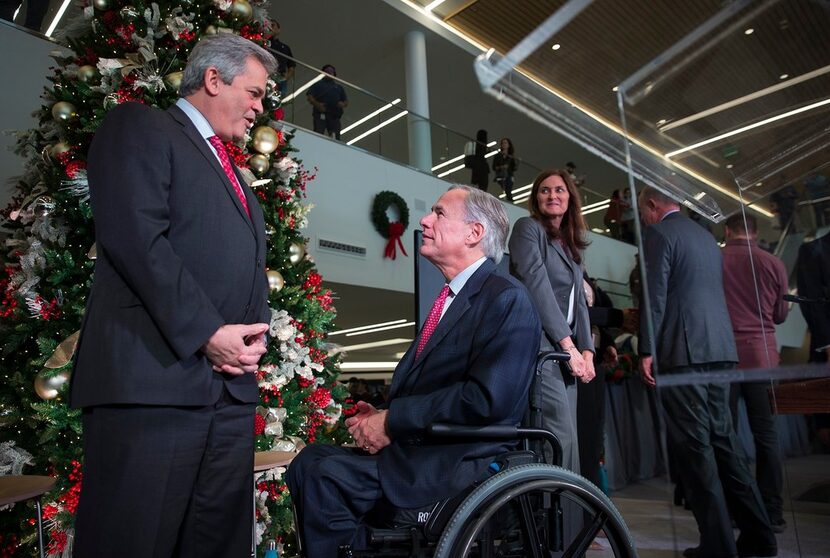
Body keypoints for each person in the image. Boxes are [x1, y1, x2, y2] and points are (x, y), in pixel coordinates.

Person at [70, 35, 276, 557]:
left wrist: (249, 343)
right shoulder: (140, 126)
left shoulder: (238, 176)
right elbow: (137, 239)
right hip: (152, 387)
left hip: (226, 396)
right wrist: (209, 333)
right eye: (253, 93)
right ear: (213, 79)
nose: (259, 108)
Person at [287, 186, 541, 557]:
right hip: (422, 447)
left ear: (474, 233)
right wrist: (381, 418)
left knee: (325, 478)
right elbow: (433, 386)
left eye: (439, 213)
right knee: (309, 461)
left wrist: (394, 422)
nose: (424, 220)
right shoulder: (450, 301)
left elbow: (486, 400)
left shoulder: (505, 298)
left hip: (459, 460)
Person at [637, 186, 777, 558]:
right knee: (726, 443)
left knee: (696, 449)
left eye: (643, 210)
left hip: (685, 353)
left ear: (652, 205)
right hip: (721, 350)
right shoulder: (706, 237)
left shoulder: (658, 234)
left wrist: (647, 349)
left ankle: (718, 544)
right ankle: (760, 536)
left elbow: (655, 295)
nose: (644, 218)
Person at [508, 169, 595, 472]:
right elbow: (537, 284)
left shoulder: (570, 246)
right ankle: (550, 518)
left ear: (570, 197)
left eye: (559, 190)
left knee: (569, 442)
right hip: (542, 350)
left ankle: (570, 519)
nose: (552, 196)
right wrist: (568, 344)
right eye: (544, 190)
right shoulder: (527, 228)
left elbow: (581, 306)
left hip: (565, 354)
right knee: (557, 442)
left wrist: (587, 351)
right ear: (535, 198)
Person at [722, 212, 789, 533]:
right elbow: (780, 315)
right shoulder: (772, 262)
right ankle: (773, 512)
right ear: (755, 231)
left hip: (725, 357)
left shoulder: (716, 259)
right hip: (762, 355)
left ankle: (738, 509)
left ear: (727, 230)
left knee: (727, 435)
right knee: (766, 435)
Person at [307, 64, 348, 140]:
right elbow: (309, 96)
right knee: (319, 133)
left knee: (335, 137)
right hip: (321, 114)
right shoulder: (317, 84)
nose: (329, 73)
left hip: (334, 115)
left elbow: (345, 102)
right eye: (327, 71)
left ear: (334, 74)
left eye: (331, 71)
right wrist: (318, 105)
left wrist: (342, 104)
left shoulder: (339, 87)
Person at [270, 20, 296, 97]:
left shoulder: (285, 47)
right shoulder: (263, 43)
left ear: (279, 29)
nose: (270, 28)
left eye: (273, 25)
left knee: (278, 101)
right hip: (266, 76)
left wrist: (285, 78)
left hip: (280, 78)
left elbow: (291, 65)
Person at [492, 137, 517, 202]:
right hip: (500, 175)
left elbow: (514, 168)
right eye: (502, 143)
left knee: (508, 189)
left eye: (505, 143)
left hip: (509, 175)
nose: (504, 144)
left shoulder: (511, 156)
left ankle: (510, 201)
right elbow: (494, 167)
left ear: (509, 145)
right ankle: (508, 201)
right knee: (504, 188)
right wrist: (502, 167)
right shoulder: (498, 155)